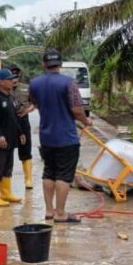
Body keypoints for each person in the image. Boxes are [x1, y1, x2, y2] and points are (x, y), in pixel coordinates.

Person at [29, 48, 92, 223]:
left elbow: (35, 103)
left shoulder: (34, 83)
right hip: (66, 137)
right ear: (61, 64)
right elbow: (77, 110)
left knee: (49, 172)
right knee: (64, 175)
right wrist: (86, 122)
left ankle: (49, 211)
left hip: (46, 136)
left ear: (44, 64)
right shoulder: (69, 83)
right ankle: (61, 213)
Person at [0, 68, 25, 207]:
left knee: (8, 167)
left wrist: (20, 132)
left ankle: (6, 193)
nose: (12, 81)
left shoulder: (10, 97)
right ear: (1, 82)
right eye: (9, 79)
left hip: (10, 140)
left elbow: (14, 118)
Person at [10, 64, 35, 189]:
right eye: (12, 77)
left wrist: (27, 111)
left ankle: (28, 179)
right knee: (6, 152)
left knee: (25, 150)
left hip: (22, 121)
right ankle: (5, 182)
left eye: (16, 77)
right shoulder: (4, 90)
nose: (14, 80)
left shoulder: (27, 89)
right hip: (8, 123)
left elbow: (34, 103)